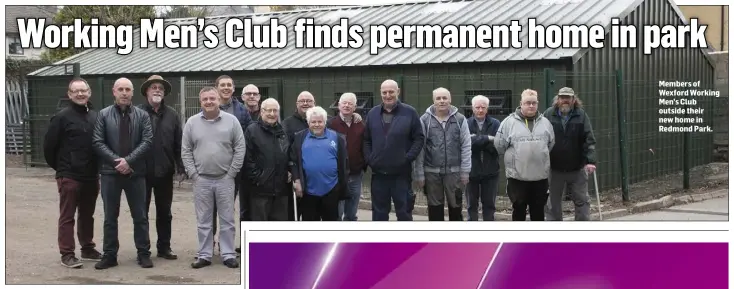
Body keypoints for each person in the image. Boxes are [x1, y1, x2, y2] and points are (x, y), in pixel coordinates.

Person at [91, 77, 154, 269]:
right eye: (121, 89)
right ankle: (110, 255)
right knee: (110, 216)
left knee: (140, 216)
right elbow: (97, 141)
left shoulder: (142, 116)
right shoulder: (103, 115)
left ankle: (143, 254)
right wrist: (117, 162)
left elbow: (148, 141)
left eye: (128, 89)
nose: (124, 93)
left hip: (136, 173)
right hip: (111, 173)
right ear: (114, 92)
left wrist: (129, 161)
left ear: (132, 93)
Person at [181, 86, 245, 269]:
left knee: (227, 219)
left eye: (212, 98)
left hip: (225, 178)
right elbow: (185, 150)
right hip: (202, 180)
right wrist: (193, 174)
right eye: (205, 99)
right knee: (204, 220)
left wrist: (232, 173)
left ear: (218, 100)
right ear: (200, 102)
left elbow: (240, 148)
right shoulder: (192, 123)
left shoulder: (232, 121)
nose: (209, 102)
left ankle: (228, 254)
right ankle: (205, 254)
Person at [43, 78, 102, 268]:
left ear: (89, 92)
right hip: (69, 175)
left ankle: (87, 248)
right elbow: (49, 148)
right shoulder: (61, 117)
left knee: (87, 214)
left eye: (83, 90)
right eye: (75, 91)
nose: (80, 94)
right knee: (67, 216)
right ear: (69, 94)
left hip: (91, 176)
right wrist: (62, 169)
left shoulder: (95, 116)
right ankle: (67, 254)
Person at [364, 79, 425, 221]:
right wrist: (369, 158)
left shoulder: (410, 112)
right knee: (379, 215)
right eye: (384, 92)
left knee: (404, 214)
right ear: (380, 93)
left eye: (391, 92)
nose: (388, 95)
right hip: (378, 175)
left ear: (398, 91)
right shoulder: (373, 113)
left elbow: (419, 138)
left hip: (401, 176)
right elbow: (366, 139)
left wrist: (408, 157)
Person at [136, 75, 183, 260]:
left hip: (165, 172)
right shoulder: (137, 112)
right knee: (142, 214)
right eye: (153, 87)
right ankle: (144, 250)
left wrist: (180, 167)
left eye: (160, 88)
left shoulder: (172, 115)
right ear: (146, 91)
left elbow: (178, 143)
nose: (157, 90)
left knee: (165, 213)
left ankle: (164, 247)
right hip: (142, 173)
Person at [494, 89, 555, 221]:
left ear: (537, 104)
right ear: (521, 103)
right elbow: (499, 145)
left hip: (540, 177)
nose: (531, 106)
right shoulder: (508, 123)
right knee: (519, 210)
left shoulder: (546, 123)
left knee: (538, 211)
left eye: (534, 103)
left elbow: (550, 144)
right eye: (528, 103)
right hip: (517, 178)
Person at [413, 87, 471, 221]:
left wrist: (465, 171)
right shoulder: (425, 120)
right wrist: (419, 173)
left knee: (456, 208)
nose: (442, 101)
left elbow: (466, 146)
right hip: (431, 174)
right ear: (433, 101)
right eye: (438, 98)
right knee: (434, 209)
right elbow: (420, 148)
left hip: (454, 173)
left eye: (445, 98)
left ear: (450, 100)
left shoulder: (460, 119)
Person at [543, 87, 597, 221]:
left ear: (573, 100)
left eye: (568, 98)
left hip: (577, 168)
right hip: (555, 168)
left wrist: (590, 161)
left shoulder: (581, 115)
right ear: (558, 99)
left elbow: (589, 139)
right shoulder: (548, 114)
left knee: (582, 202)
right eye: (562, 97)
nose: (565, 100)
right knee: (552, 205)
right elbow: (541, 137)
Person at [212, 75, 251, 254]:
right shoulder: (209, 106)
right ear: (217, 88)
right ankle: (208, 244)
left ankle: (227, 245)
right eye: (223, 85)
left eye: (229, 85)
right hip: (212, 166)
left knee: (229, 207)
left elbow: (248, 136)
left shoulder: (242, 110)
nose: (226, 88)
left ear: (233, 89)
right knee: (210, 209)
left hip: (235, 168)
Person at [291, 106, 350, 221]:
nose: (317, 124)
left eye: (320, 121)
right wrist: (296, 180)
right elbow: (293, 160)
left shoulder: (337, 138)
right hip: (308, 191)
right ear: (308, 122)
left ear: (325, 122)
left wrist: (341, 186)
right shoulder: (300, 137)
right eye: (313, 122)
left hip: (331, 190)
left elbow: (344, 163)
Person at [244, 98, 292, 221]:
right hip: (260, 190)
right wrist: (258, 178)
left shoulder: (283, 131)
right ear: (261, 112)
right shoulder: (252, 130)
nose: (272, 114)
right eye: (268, 110)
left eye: (275, 110)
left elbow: (288, 154)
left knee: (278, 231)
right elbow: (248, 158)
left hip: (281, 190)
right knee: (260, 229)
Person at [326, 93, 366, 221]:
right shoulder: (329, 125)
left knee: (351, 214)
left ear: (355, 107)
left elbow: (365, 145)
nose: (347, 105)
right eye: (344, 102)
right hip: (337, 176)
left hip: (355, 174)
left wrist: (363, 165)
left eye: (350, 103)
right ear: (338, 105)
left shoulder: (361, 124)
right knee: (337, 213)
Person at [466, 95, 502, 221]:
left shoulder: (496, 123)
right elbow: (466, 145)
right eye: (477, 107)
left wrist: (476, 139)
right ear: (472, 108)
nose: (480, 110)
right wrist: (487, 138)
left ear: (487, 108)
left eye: (483, 107)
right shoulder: (465, 123)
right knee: (471, 206)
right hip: (471, 171)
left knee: (489, 206)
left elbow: (498, 146)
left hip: (491, 171)